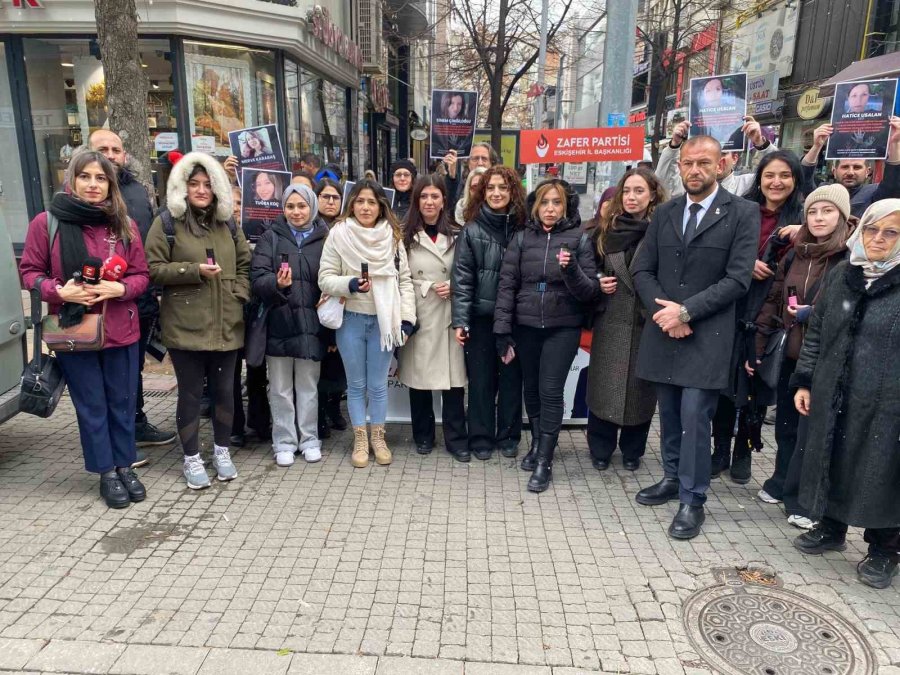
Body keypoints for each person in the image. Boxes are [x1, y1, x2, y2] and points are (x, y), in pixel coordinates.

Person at [632, 135, 759, 540]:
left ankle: (693, 499)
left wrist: (686, 312)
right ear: (679, 166)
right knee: (669, 414)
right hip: (665, 332)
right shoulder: (665, 212)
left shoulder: (742, 212)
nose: (694, 170)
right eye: (688, 163)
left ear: (721, 165)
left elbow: (738, 279)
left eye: (704, 163)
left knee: (694, 418)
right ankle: (672, 477)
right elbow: (642, 270)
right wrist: (666, 314)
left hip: (707, 336)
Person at [20, 150, 150, 508]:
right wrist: (58, 291)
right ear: (72, 180)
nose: (93, 184)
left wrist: (119, 288)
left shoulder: (123, 224)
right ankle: (106, 471)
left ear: (110, 184)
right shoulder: (47, 223)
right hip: (74, 331)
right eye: (85, 176)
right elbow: (30, 272)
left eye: (101, 178)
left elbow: (141, 275)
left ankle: (125, 466)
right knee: (92, 405)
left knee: (122, 403)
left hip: (120, 329)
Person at [790, 199, 900, 590]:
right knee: (832, 457)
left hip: (888, 402)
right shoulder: (844, 274)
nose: (878, 239)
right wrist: (805, 380)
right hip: (834, 391)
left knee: (882, 472)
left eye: (891, 232)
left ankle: (884, 550)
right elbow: (817, 330)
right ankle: (831, 527)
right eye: (872, 229)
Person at [145, 152, 251, 489]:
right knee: (190, 395)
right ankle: (191, 457)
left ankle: (222, 451)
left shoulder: (228, 224)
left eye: (207, 183)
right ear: (183, 186)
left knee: (225, 392)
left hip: (226, 323)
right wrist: (192, 271)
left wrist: (239, 293)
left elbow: (245, 263)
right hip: (185, 325)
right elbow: (152, 268)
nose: (202, 190)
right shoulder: (166, 223)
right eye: (194, 183)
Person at [750, 184, 852, 528]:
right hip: (792, 353)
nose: (819, 218)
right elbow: (773, 300)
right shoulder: (796, 253)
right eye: (812, 211)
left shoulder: (849, 256)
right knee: (786, 426)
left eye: (828, 211)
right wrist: (758, 347)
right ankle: (781, 481)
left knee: (814, 434)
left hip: (827, 360)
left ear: (842, 216)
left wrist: (816, 313)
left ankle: (804, 500)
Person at [494, 179, 598, 492]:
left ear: (566, 206)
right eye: (544, 202)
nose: (550, 209)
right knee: (532, 389)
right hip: (526, 326)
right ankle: (538, 443)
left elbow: (589, 292)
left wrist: (571, 270)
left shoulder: (579, 239)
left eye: (556, 202)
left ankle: (545, 460)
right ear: (535, 206)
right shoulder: (522, 238)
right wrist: (502, 329)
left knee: (551, 391)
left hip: (563, 326)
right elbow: (507, 285)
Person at [711, 150, 805, 485]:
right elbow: (718, 251)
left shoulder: (803, 218)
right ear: (759, 179)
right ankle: (720, 449)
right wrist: (745, 264)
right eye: (769, 175)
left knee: (756, 382)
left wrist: (803, 234)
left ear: (795, 180)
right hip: (735, 304)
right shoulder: (741, 210)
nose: (776, 182)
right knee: (724, 382)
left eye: (785, 175)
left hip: (772, 312)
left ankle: (744, 451)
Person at [88, 129, 176, 453]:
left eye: (116, 149)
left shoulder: (137, 191)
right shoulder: (78, 196)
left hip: (137, 298)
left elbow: (146, 248)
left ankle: (134, 425)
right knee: (102, 375)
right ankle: (111, 443)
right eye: (103, 149)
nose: (111, 155)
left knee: (131, 369)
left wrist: (151, 291)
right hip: (95, 305)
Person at [318, 179, 416, 468]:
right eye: (360, 201)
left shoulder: (392, 238)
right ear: (352, 204)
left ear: (380, 206)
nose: (365, 207)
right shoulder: (338, 234)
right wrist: (349, 284)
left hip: (384, 322)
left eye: (371, 202)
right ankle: (360, 439)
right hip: (350, 319)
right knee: (356, 384)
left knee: (378, 385)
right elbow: (324, 278)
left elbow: (405, 281)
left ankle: (378, 437)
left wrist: (407, 320)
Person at [586, 168, 668, 472]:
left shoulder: (662, 231)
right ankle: (600, 448)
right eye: (627, 191)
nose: (632, 197)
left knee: (640, 391)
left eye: (639, 191)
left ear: (652, 195)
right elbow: (589, 266)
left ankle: (633, 450)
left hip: (647, 322)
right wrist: (597, 280)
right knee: (604, 387)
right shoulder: (605, 231)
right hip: (611, 318)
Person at [452, 165, 526, 461]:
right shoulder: (471, 231)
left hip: (515, 320)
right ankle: (480, 436)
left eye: (503, 188)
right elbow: (462, 279)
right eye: (491, 188)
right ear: (482, 193)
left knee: (511, 380)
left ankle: (508, 435)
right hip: (481, 319)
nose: (496, 193)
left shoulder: (523, 228)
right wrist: (461, 320)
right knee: (481, 381)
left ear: (513, 192)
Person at [251, 184, 328, 466]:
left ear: (312, 207)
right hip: (279, 322)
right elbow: (257, 278)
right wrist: (276, 283)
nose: (296, 212)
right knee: (280, 388)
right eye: (290, 206)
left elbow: (332, 275)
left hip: (311, 325)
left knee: (308, 386)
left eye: (302, 206)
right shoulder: (270, 237)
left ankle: (309, 439)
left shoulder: (325, 238)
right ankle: (283, 441)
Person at [398, 176, 468, 457]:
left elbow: (466, 270)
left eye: (435, 196)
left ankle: (456, 439)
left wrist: (454, 285)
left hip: (450, 313)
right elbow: (399, 276)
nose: (429, 202)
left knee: (453, 382)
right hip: (419, 311)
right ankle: (423, 435)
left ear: (443, 201)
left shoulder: (458, 233)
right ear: (416, 200)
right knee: (420, 380)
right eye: (424, 196)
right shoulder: (403, 235)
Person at [800, 117, 900, 218]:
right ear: (834, 171)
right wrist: (816, 146)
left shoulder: (873, 193)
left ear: (867, 171)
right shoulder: (823, 192)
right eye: (845, 167)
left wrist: (894, 143)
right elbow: (804, 180)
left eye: (857, 167)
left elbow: (892, 184)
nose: (850, 172)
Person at [657, 116, 778, 199]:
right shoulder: (691, 184)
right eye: (706, 158)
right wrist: (674, 145)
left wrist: (760, 143)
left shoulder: (747, 185)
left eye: (722, 154)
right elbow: (662, 182)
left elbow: (778, 170)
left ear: (735, 158)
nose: (717, 161)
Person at [313, 178, 347, 438]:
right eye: (325, 196)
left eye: (335, 197)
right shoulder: (311, 228)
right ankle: (320, 414)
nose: (331, 201)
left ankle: (335, 408)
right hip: (317, 304)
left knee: (338, 365)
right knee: (321, 365)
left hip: (343, 303)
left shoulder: (346, 228)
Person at [443, 142, 500, 212]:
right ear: (468, 163)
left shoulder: (500, 185)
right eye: (475, 159)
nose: (480, 163)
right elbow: (449, 208)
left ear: (492, 163)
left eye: (484, 159)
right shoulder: (460, 186)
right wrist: (451, 176)